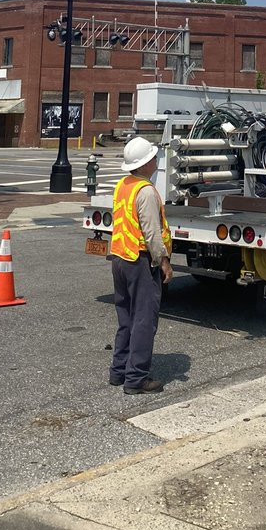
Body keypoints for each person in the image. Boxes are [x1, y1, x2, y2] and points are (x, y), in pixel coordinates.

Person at [108, 135, 173, 394]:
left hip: (120, 259)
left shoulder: (124, 185)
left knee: (126, 318)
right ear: (145, 163)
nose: (156, 160)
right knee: (144, 320)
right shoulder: (145, 191)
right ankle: (136, 378)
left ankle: (119, 371)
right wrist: (164, 261)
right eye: (153, 156)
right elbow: (151, 232)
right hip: (139, 260)